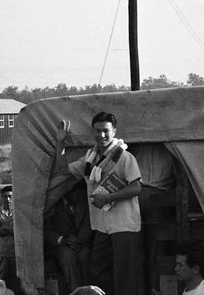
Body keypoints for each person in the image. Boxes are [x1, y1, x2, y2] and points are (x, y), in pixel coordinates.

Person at [54, 112, 144, 295]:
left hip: (123, 225)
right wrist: (60, 142)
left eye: (106, 131)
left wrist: (108, 198)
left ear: (114, 132)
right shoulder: (90, 159)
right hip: (103, 226)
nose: (101, 135)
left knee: (125, 276)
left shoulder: (125, 157)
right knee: (100, 273)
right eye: (97, 131)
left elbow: (136, 187)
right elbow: (62, 169)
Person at [133, 143, 176, 292]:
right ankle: (151, 288)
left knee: (150, 247)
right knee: (146, 247)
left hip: (155, 197)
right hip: (145, 194)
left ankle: (151, 288)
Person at [44, 180, 93, 291]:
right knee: (68, 256)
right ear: (67, 192)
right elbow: (46, 231)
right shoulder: (53, 203)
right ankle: (75, 291)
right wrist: (62, 240)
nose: (79, 197)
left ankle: (87, 290)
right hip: (57, 246)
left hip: (78, 243)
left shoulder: (82, 203)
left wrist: (78, 241)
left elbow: (87, 224)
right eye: (77, 194)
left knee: (85, 255)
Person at [0, 186, 16, 283]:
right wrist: (12, 230)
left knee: (16, 281)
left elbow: (20, 230)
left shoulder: (18, 212)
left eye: (10, 196)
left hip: (15, 252)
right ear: (2, 197)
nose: (8, 199)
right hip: (0, 252)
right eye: (5, 196)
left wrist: (3, 228)